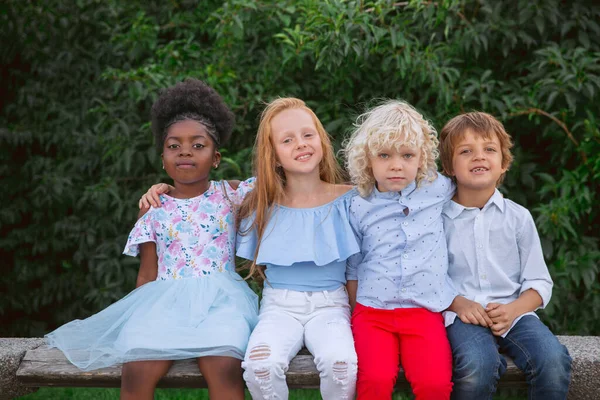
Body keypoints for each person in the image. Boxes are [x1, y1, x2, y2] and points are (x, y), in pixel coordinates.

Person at [46, 79, 258, 400]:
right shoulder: (154, 208)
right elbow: (148, 272)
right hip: (164, 302)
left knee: (224, 366)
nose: (185, 151)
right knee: (137, 370)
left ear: (216, 157)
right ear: (162, 158)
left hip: (221, 303)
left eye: (198, 145)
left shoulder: (231, 194)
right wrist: (140, 318)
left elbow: (276, 182)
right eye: (174, 146)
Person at [439, 111, 572, 399]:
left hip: (515, 314)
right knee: (479, 365)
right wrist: (457, 303)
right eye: (466, 151)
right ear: (449, 166)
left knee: (552, 360)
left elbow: (540, 283)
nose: (479, 157)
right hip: (462, 318)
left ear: (503, 164)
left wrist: (514, 309)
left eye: (489, 149)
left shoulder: (518, 218)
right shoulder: (437, 220)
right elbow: (427, 278)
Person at [236, 97, 359, 400]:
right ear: (273, 155)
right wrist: (163, 188)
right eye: (287, 140)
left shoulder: (352, 199)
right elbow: (203, 190)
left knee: (341, 365)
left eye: (307, 135)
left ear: (321, 140)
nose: (301, 144)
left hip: (332, 307)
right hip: (279, 307)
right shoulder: (260, 201)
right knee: (259, 367)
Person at [343, 100, 457, 400]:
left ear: (421, 158)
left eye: (407, 155)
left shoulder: (438, 188)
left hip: (423, 310)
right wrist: (356, 312)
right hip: (372, 312)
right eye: (384, 155)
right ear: (368, 159)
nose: (396, 164)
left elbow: (474, 183)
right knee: (375, 382)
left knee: (435, 385)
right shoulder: (358, 204)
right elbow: (353, 264)